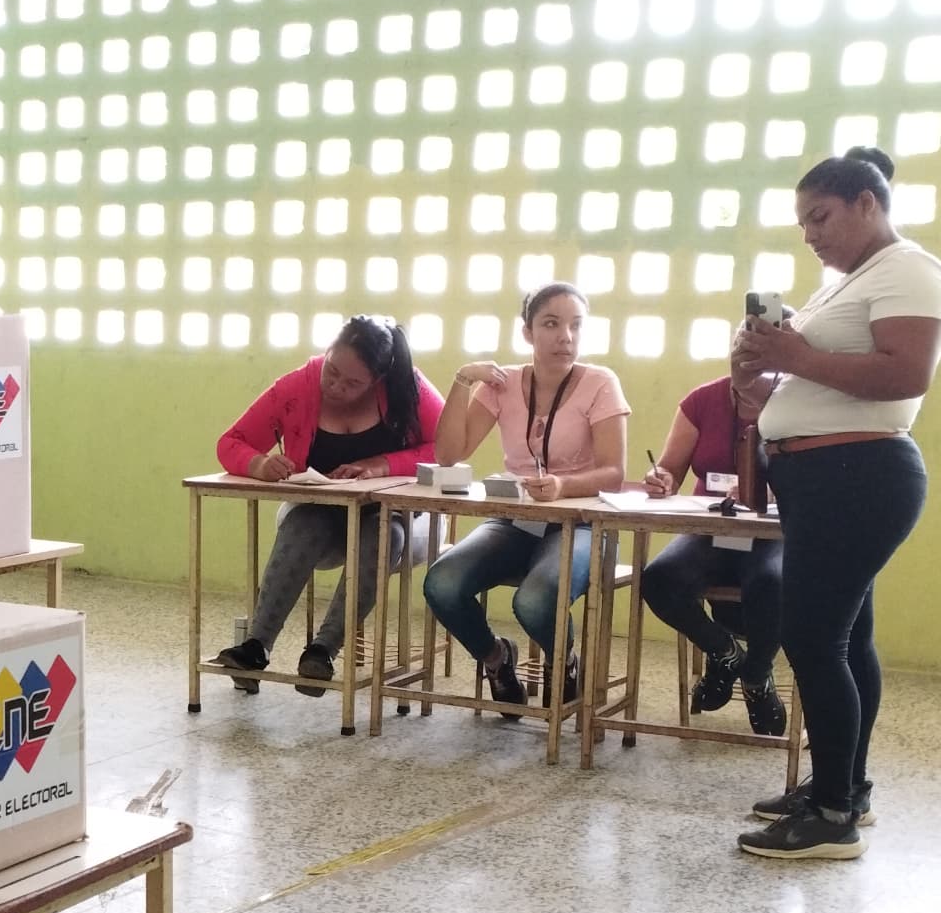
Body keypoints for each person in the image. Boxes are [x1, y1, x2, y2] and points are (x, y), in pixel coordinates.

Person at [731, 146, 941, 861]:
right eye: (802, 223)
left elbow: (903, 372)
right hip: (824, 475)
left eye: (820, 216)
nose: (810, 233)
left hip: (858, 475)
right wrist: (762, 381)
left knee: (812, 639)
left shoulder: (910, 270)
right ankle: (844, 784)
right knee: (847, 639)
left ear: (869, 203)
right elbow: (822, 383)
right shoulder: (847, 283)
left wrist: (795, 358)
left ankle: (832, 816)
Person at [210, 316, 446, 695]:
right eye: (332, 371)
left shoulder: (407, 387)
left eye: (353, 383)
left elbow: (447, 449)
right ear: (327, 352)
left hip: (401, 519)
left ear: (378, 379)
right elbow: (231, 442)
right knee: (304, 524)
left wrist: (382, 464)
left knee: (382, 534)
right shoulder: (298, 387)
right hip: (324, 514)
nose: (336, 386)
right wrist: (259, 464)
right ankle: (255, 647)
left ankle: (322, 651)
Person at [422, 283, 629, 712]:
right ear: (528, 333)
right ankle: (496, 659)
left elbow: (614, 472)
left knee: (534, 600)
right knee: (442, 583)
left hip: (584, 523)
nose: (565, 337)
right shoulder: (503, 383)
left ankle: (564, 659)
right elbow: (449, 454)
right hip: (514, 520)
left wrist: (562, 486)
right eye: (551, 324)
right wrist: (463, 380)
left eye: (575, 326)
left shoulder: (600, 382)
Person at [639, 374, 787, 736]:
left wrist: (771, 488)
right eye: (741, 351)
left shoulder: (801, 401)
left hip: (775, 532)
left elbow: (818, 476)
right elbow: (671, 467)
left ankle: (755, 675)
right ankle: (724, 653)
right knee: (659, 580)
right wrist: (662, 479)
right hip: (713, 527)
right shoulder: (702, 400)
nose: (749, 362)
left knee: (775, 582)